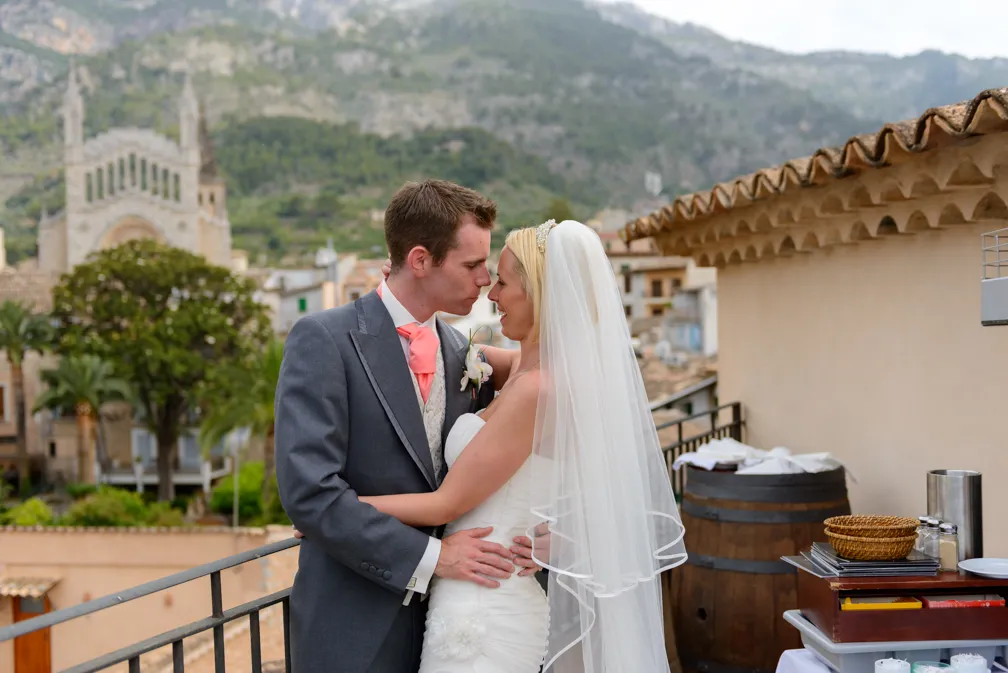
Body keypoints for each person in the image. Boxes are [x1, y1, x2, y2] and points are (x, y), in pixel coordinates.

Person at [355, 219, 689, 672]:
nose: (491, 295)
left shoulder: (539, 391)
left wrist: (345, 508)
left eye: (503, 282)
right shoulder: (526, 371)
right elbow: (446, 348)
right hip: (471, 594)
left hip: (485, 610)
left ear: (540, 297)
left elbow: (444, 504)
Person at [274, 179, 540, 673]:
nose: (485, 279)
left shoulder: (468, 356)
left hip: (460, 626)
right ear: (420, 260)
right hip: (354, 626)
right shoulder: (323, 340)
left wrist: (550, 535)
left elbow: (542, 431)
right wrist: (434, 558)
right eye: (471, 265)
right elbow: (310, 494)